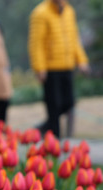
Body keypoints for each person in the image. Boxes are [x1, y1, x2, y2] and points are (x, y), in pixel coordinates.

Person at [29, 0, 89, 137]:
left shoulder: (69, 11)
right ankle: (55, 141)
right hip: (50, 68)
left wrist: (81, 61)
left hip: (67, 65)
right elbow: (36, 44)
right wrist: (39, 68)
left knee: (69, 102)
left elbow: (74, 38)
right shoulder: (40, 13)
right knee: (53, 105)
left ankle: (44, 128)